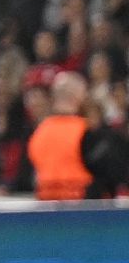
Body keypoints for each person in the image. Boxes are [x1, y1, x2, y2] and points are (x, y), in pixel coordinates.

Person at [27, 71, 91, 200]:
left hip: (46, 207)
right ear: (79, 96)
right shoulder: (85, 130)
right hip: (82, 206)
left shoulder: (39, 131)